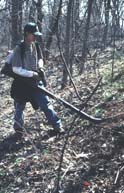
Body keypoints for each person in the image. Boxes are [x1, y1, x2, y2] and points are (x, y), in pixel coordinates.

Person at [10, 22, 64, 139]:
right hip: (21, 83)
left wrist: (40, 67)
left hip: (35, 81)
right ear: (27, 34)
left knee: (45, 103)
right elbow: (16, 69)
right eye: (33, 34)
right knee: (19, 107)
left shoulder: (36, 45)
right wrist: (32, 74)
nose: (35, 37)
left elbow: (40, 58)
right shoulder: (19, 49)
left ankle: (57, 126)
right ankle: (18, 129)